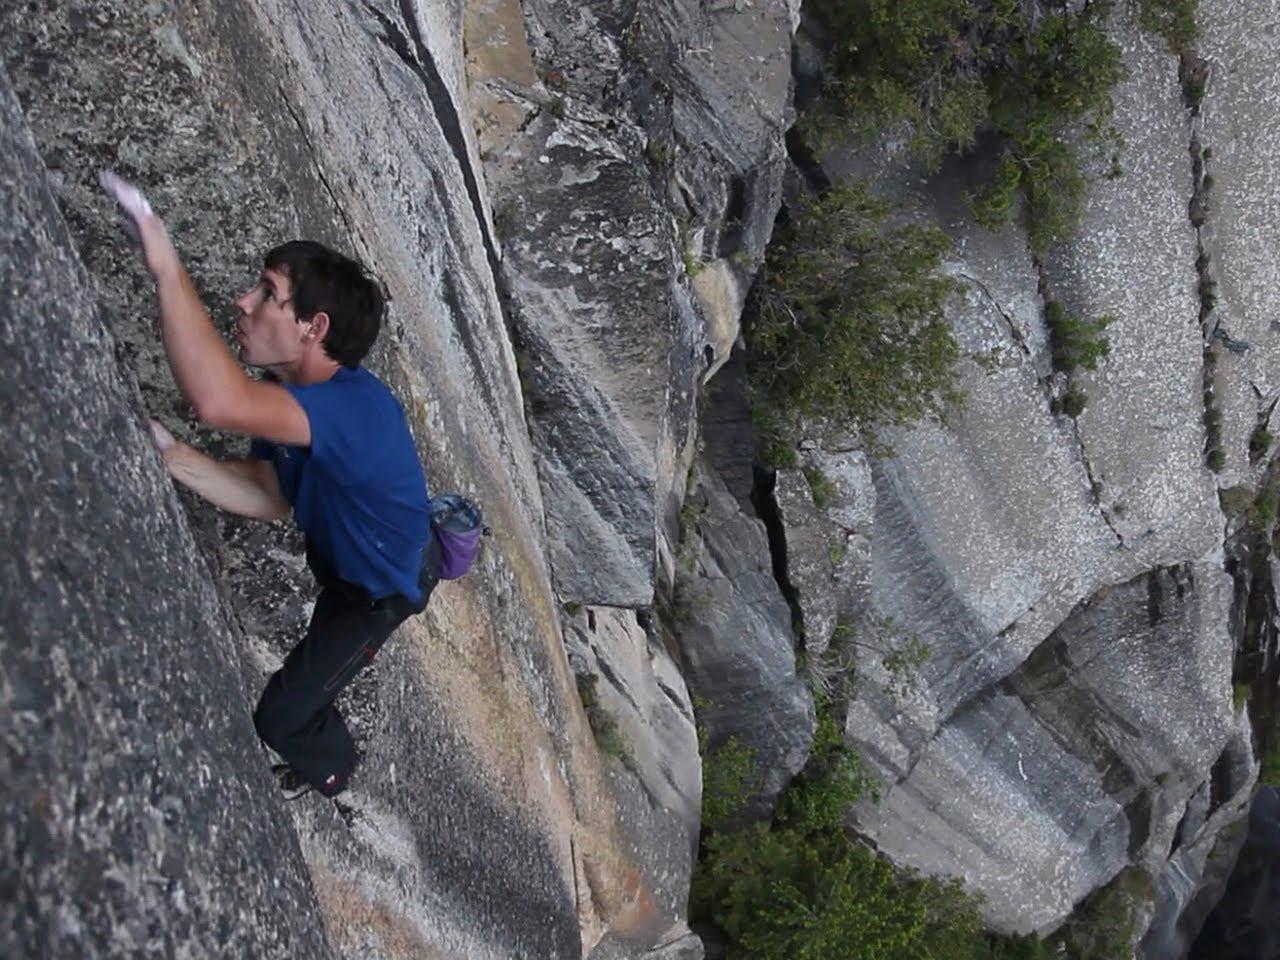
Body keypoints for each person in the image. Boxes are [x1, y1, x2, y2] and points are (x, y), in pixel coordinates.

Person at [100, 172, 439, 801]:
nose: (242, 301)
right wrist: (173, 457)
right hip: (347, 566)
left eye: (267, 294)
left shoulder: (354, 412)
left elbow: (218, 401)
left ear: (313, 327)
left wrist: (166, 267)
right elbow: (270, 494)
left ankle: (333, 773)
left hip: (380, 593)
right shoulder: (291, 397)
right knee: (302, 688)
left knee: (281, 717)